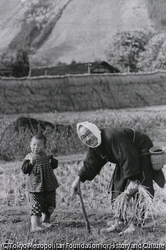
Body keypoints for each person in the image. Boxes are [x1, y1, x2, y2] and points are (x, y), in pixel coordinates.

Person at [71, 121, 165, 232]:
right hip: (126, 157)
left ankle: (136, 224)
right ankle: (120, 221)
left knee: (142, 185)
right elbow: (91, 163)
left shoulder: (112, 137)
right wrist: (78, 178)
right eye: (83, 137)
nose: (87, 138)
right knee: (118, 184)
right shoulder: (95, 146)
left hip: (141, 149)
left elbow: (129, 155)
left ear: (94, 130)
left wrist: (134, 180)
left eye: (88, 133)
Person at [22, 132, 59, 232]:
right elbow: (24, 170)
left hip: (49, 185)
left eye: (39, 145)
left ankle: (46, 220)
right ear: (30, 144)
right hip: (35, 186)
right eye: (34, 144)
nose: (36, 147)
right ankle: (34, 226)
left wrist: (51, 161)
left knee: (50, 203)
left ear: (44, 146)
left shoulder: (48, 156)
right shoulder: (29, 157)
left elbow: (55, 165)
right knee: (36, 204)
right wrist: (30, 164)